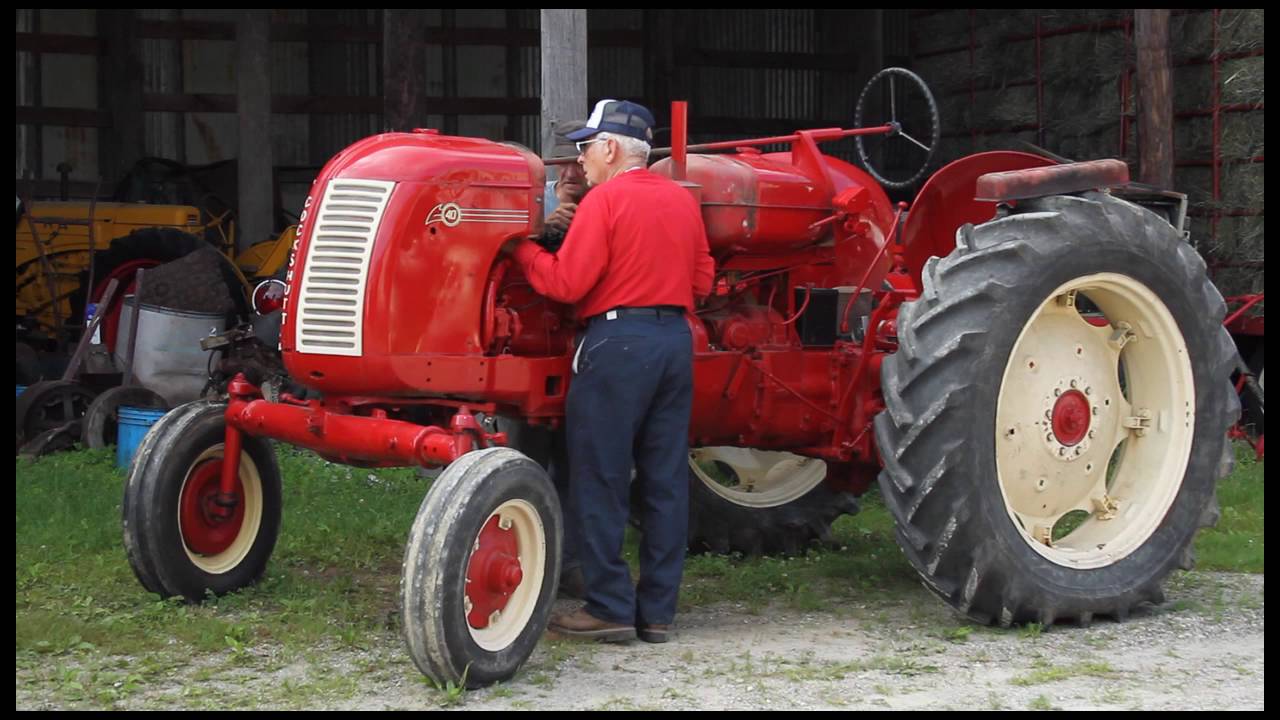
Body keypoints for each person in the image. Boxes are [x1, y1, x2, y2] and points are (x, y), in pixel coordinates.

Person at [508, 99, 715, 644]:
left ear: (611, 147)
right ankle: (658, 613)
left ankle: (608, 607)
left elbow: (566, 284)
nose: (579, 163)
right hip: (675, 341)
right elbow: (702, 283)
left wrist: (522, 250)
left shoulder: (606, 202)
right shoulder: (681, 201)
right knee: (665, 479)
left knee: (599, 477)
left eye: (585, 148)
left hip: (616, 344)